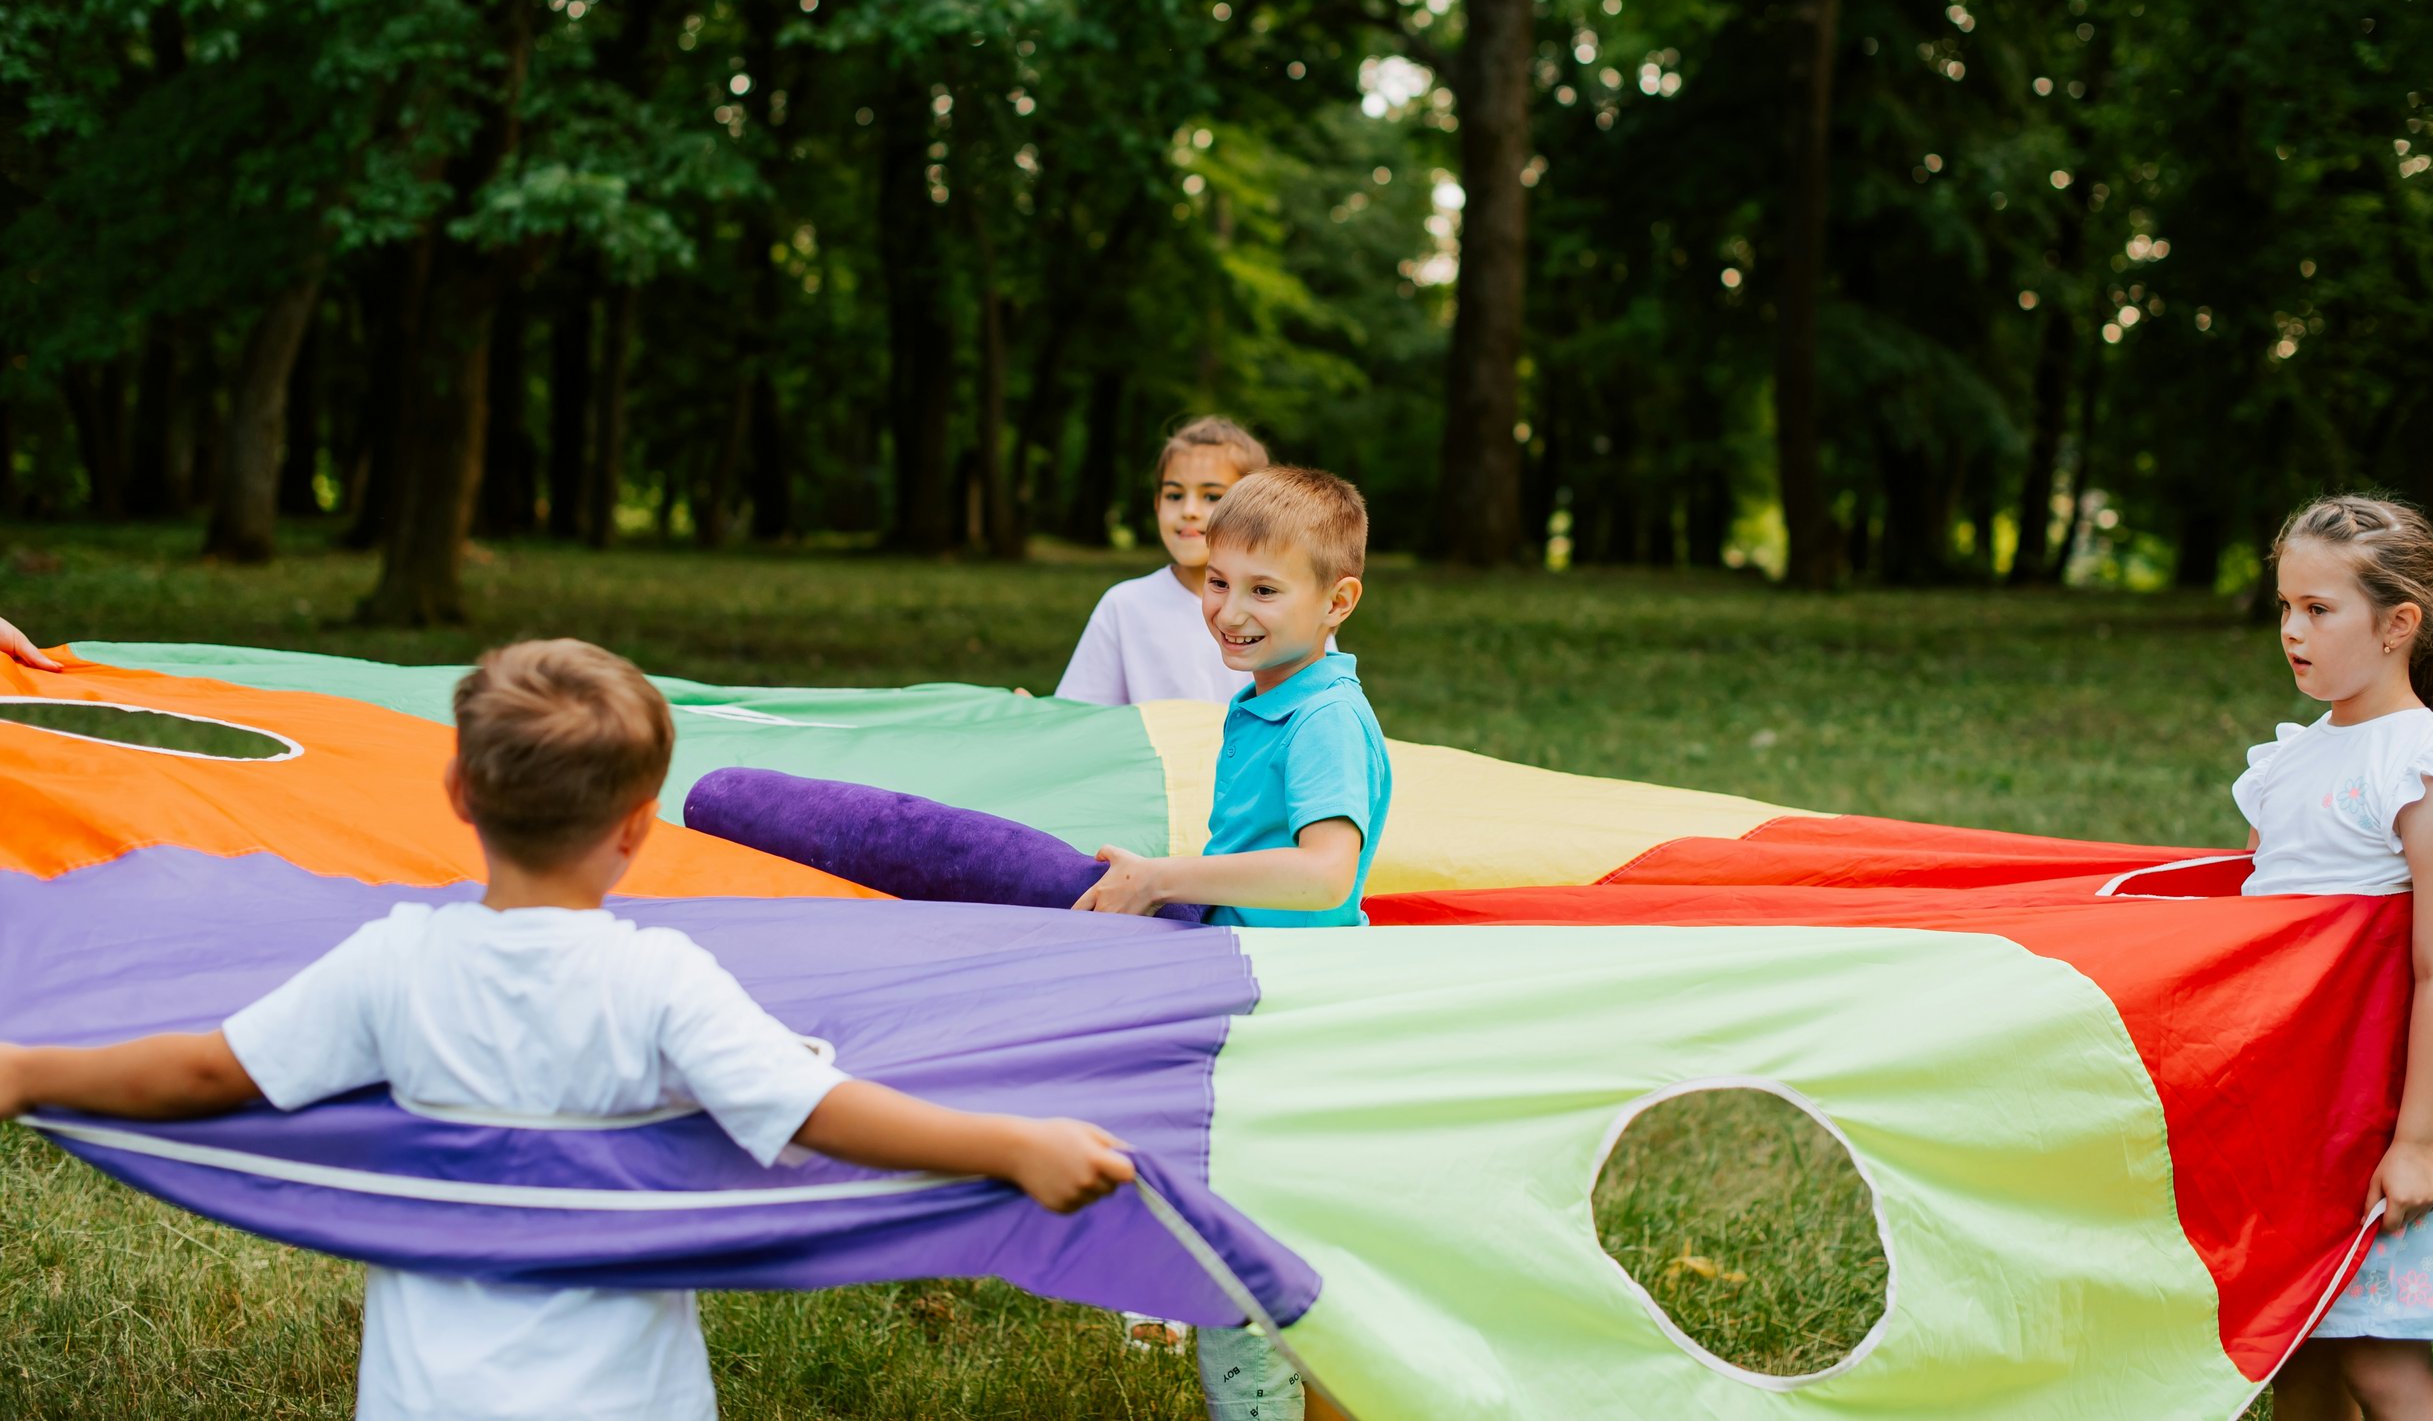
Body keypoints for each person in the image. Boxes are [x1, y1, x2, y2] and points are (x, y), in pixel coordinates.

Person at [0, 638, 1134, 1421]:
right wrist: (1011, 1144)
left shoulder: (397, 962)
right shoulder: (660, 980)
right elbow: (821, 1113)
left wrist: (28, 1069)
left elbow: (209, 1068)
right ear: (642, 827)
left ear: (455, 794)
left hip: (430, 1396)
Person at [1078, 467, 1390, 1421]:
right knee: (1259, 1246)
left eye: (1263, 590)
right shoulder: (1268, 696)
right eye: (1218, 581)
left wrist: (1168, 878)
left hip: (1296, 1017)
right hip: (1252, 999)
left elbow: (1324, 872)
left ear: (1337, 602)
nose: (1229, 610)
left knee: (1250, 1256)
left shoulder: (1324, 715)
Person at [2246, 498, 2433, 1421]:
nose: (2290, 630)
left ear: (2399, 625)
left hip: (2389, 1113)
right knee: (2300, 1355)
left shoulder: (2428, 772)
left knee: (2379, 1363)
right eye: (2284, 606)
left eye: (2319, 610)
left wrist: (2416, 1143)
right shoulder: (2285, 765)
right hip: (2304, 1108)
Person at [1056, 416, 1272, 707]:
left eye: (1211, 496)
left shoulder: (1286, 606)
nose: (1189, 511)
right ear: (1157, 503)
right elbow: (1081, 715)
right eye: (1174, 495)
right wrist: (1040, 716)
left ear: (1256, 508)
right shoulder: (1124, 606)